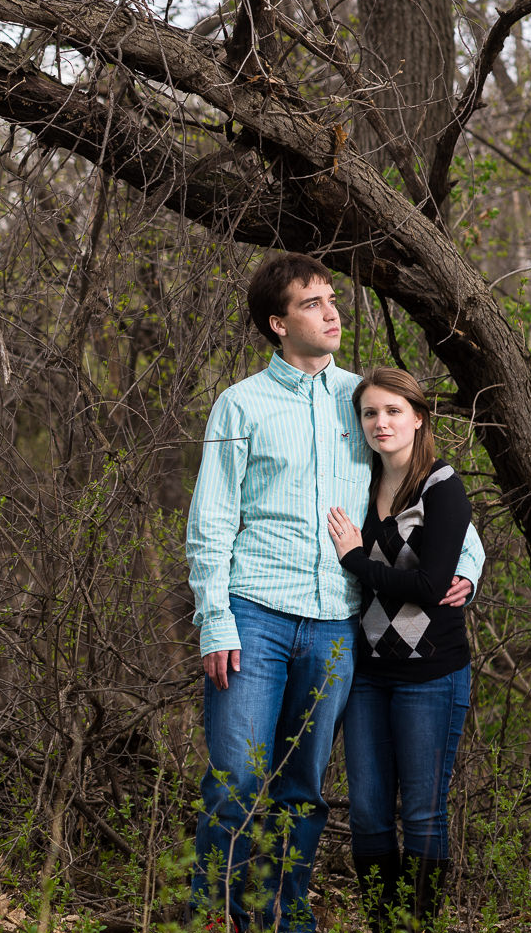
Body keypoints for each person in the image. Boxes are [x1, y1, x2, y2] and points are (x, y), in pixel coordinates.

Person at [185, 253, 483, 933]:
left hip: (335, 626)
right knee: (235, 780)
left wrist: (470, 558)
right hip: (253, 615)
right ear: (277, 323)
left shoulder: (364, 400)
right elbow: (210, 519)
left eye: (331, 299)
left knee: (303, 790)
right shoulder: (241, 405)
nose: (331, 311)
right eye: (312, 303)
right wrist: (214, 621)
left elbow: (423, 481)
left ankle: (286, 917)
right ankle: (214, 917)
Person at [326, 368, 473, 933]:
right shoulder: (358, 483)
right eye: (369, 413)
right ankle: (384, 926)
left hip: (430, 674)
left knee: (423, 815)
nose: (381, 422)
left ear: (417, 417)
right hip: (368, 673)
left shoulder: (442, 486)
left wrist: (357, 561)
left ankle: (419, 927)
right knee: (366, 814)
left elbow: (432, 586)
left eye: (393, 411)